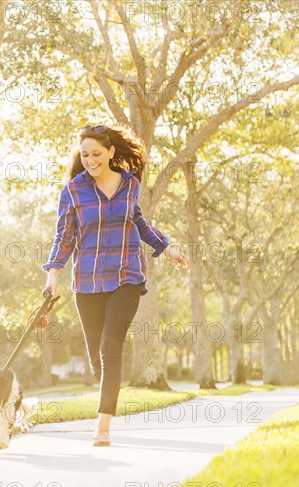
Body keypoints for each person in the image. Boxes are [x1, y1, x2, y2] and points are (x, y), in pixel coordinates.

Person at [42, 124, 190, 446]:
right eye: (85, 155)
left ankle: (103, 426)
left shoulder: (130, 185)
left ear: (110, 152)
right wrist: (52, 274)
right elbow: (64, 238)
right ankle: (106, 392)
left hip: (126, 275)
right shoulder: (73, 191)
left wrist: (168, 247)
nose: (91, 160)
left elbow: (138, 222)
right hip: (88, 281)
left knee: (112, 350)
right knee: (97, 359)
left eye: (97, 154)